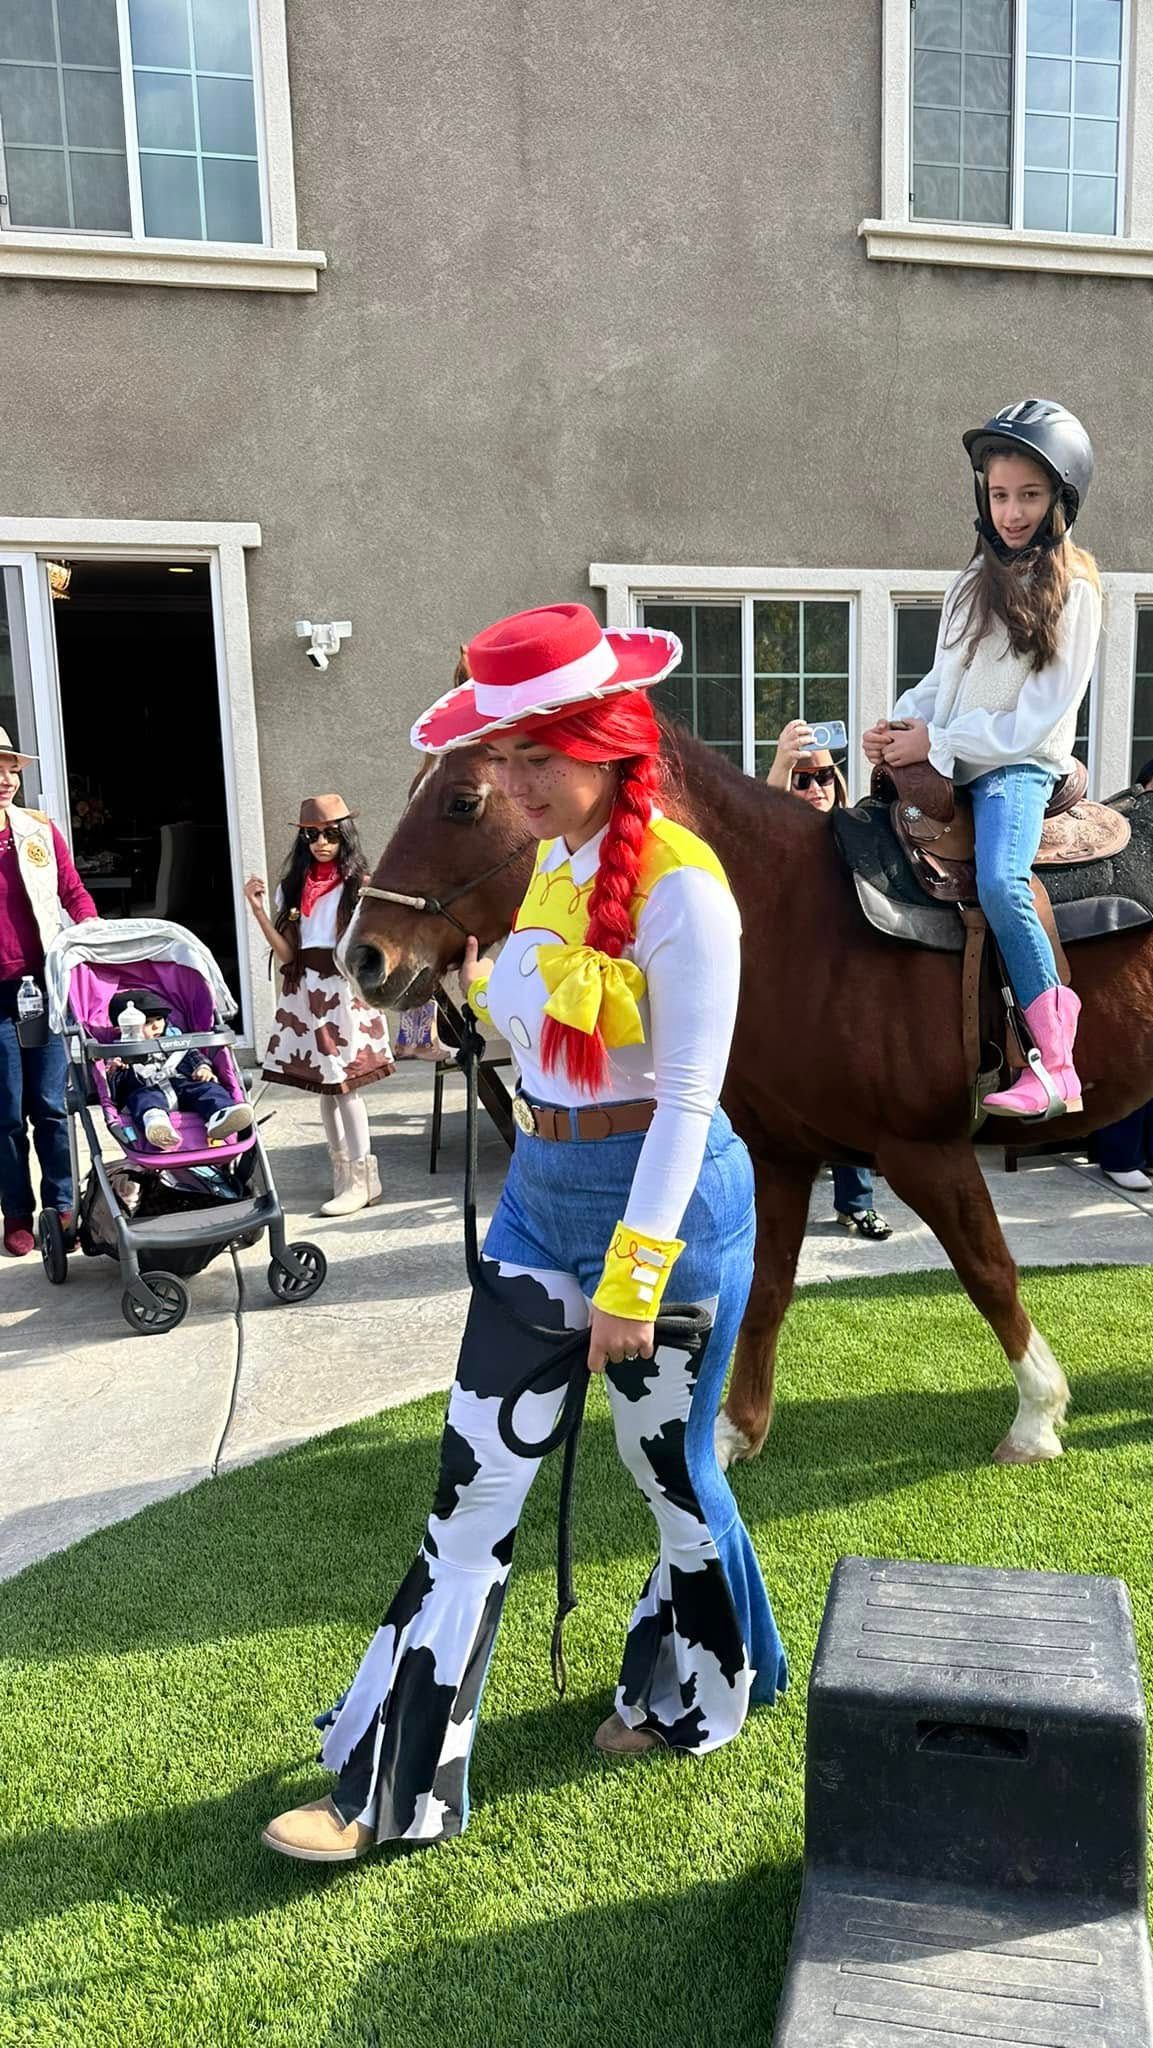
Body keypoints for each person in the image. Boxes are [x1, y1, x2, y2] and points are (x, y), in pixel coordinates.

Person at [261, 603, 786, 1863]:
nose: (512, 781)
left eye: (537, 757)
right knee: (471, 1489)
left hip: (667, 1212)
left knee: (672, 1477)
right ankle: (393, 1788)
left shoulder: (690, 896)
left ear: (609, 746)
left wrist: (634, 1277)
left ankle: (713, 1684)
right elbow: (546, 1031)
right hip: (542, 1193)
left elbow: (686, 1101)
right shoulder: (546, 869)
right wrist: (473, 994)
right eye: (503, 758)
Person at [864, 400, 1100, 1119]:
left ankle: (1057, 1065)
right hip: (955, 760)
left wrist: (937, 744)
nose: (1012, 511)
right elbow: (944, 682)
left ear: (1061, 498)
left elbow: (1041, 715)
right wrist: (906, 723)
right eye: (1000, 494)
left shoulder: (1078, 588)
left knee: (1000, 881)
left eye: (1029, 495)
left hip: (1019, 766)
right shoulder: (970, 583)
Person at [767, 718, 892, 1241]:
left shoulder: (854, 830)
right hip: (787, 993)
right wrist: (780, 766)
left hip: (847, 987)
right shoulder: (771, 837)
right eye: (803, 779)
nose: (816, 787)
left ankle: (855, 1203)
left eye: (824, 777)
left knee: (851, 1096)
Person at [243, 795, 393, 1217]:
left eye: (330, 834)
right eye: (312, 835)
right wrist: (258, 912)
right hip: (305, 988)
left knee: (346, 1086)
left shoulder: (359, 884)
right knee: (325, 1088)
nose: (321, 843)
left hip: (342, 989)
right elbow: (288, 955)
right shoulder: (292, 888)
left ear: (344, 836)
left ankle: (362, 1178)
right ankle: (345, 1176)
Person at [0, 728, 97, 1256]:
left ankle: (60, 1207)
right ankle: (15, 1212)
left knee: (51, 1106)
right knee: (7, 1110)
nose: (6, 779)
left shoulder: (37, 829)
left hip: (39, 985)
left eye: (12, 768)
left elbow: (72, 890)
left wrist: (91, 933)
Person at [1090, 756, 1153, 1189]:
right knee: (1131, 1064)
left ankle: (1150, 1152)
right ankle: (1117, 1155)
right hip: (1132, 963)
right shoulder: (1122, 833)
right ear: (1143, 787)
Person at [104, 987, 252, 1149]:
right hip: (147, 1090)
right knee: (142, 1099)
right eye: (147, 1023)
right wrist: (115, 1070)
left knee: (208, 1089)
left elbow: (193, 1055)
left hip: (183, 1086)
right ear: (123, 1029)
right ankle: (158, 1126)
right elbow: (116, 1090)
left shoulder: (176, 1038)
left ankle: (221, 1115)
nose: (156, 1027)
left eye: (159, 1019)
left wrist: (203, 1068)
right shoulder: (119, 1051)